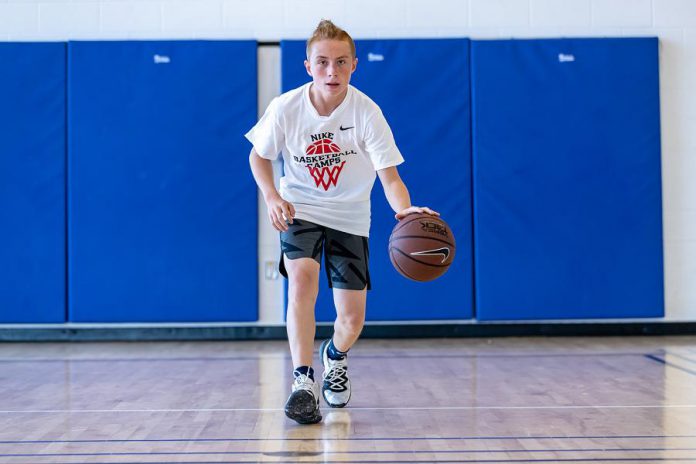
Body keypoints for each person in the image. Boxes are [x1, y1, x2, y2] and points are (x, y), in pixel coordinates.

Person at [246, 19, 438, 425]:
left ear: (354, 66)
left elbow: (390, 177)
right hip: (301, 210)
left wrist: (404, 211)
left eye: (340, 63)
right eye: (322, 62)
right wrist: (273, 197)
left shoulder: (367, 113)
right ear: (307, 66)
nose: (331, 71)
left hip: (351, 217)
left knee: (351, 320)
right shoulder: (286, 108)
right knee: (300, 282)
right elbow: (258, 156)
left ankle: (334, 356)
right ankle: (302, 379)